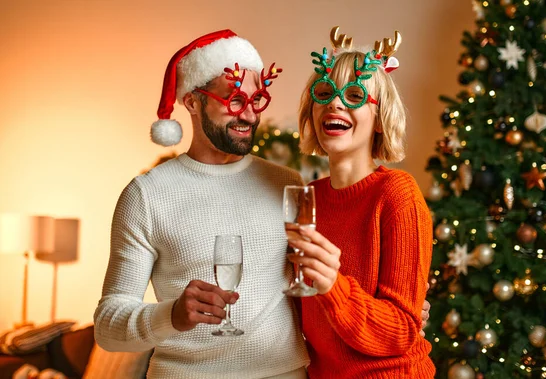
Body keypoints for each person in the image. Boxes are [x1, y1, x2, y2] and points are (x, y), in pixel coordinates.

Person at [93, 30, 311, 379]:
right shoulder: (146, 195)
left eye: (256, 100)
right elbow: (107, 327)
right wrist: (173, 315)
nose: (250, 116)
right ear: (193, 102)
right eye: (235, 100)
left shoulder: (287, 184)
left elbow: (314, 280)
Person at [288, 27, 436, 378]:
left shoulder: (397, 194)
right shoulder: (309, 197)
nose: (334, 103)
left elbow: (400, 330)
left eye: (353, 95)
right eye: (324, 93)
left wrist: (332, 285)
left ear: (381, 119)